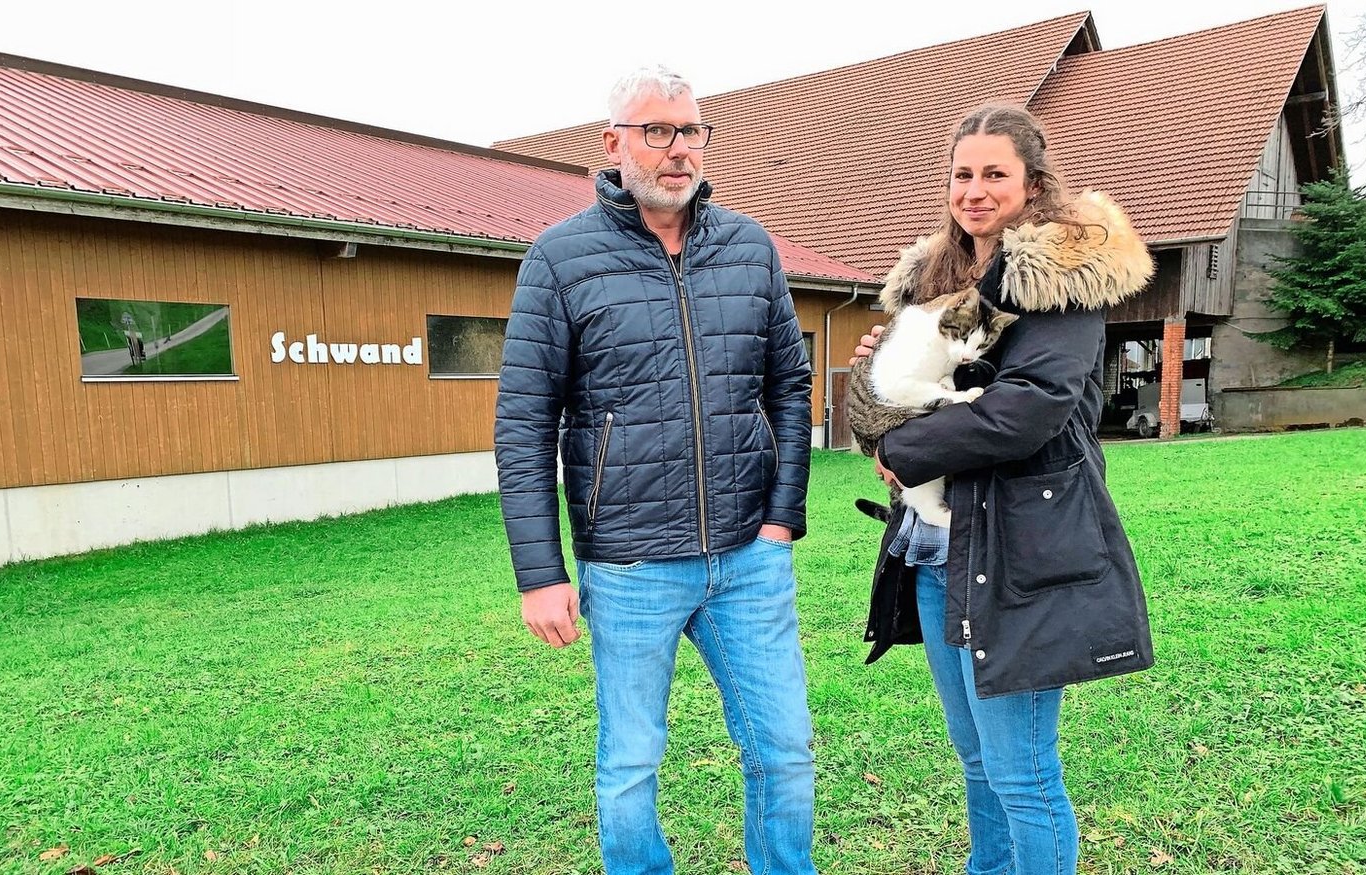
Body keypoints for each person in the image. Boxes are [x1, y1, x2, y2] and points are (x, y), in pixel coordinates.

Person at [494, 66, 817, 875]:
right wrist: (541, 571)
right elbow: (524, 421)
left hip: (749, 560)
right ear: (614, 143)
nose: (679, 149)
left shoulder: (749, 245)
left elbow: (789, 383)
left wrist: (781, 520)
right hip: (630, 564)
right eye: (657, 131)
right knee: (631, 770)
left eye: (692, 130)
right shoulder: (559, 260)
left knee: (785, 753)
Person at [850, 104, 1156, 875]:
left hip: (1019, 552)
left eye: (995, 174)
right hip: (930, 552)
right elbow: (906, 384)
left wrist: (901, 445)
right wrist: (880, 370)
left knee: (1022, 771)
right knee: (978, 760)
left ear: (1033, 183)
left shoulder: (1061, 276)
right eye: (963, 174)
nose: (975, 190)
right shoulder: (934, 279)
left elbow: (1031, 410)